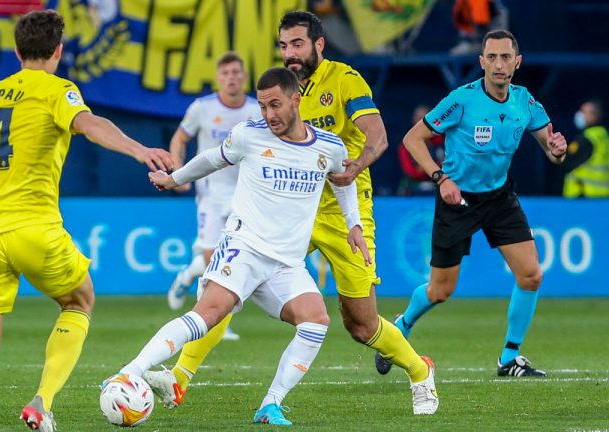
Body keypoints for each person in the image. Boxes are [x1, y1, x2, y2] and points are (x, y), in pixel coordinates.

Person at [144, 10, 439, 417]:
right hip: (288, 213)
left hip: (343, 212)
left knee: (361, 324)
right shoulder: (281, 93)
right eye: (283, 46)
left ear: (319, 44)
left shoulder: (346, 80)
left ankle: (418, 370)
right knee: (224, 295)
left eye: (297, 44)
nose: (290, 53)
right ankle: (179, 379)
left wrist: (354, 168)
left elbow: (378, 136)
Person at [0, 10, 172, 432]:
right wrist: (140, 150)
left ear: (16, 51)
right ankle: (41, 404)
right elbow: (89, 123)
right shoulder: (58, 90)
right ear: (59, 51)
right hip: (35, 228)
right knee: (79, 301)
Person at [112, 67, 369, 426]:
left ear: (297, 100)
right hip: (244, 247)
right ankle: (129, 372)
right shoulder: (250, 135)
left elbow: (344, 182)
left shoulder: (328, 145)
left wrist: (354, 224)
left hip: (287, 264)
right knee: (208, 315)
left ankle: (271, 403)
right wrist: (175, 178)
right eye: (263, 106)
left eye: (276, 105)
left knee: (316, 321)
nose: (269, 115)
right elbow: (212, 158)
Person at [375, 30, 567, 378]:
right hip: (457, 198)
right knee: (440, 290)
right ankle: (401, 327)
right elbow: (412, 139)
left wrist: (557, 151)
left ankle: (509, 359)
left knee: (531, 275)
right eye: (491, 57)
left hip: (499, 197)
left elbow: (550, 146)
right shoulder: (461, 100)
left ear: (517, 62)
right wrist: (440, 178)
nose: (498, 64)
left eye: (505, 57)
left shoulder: (524, 102)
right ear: (481, 62)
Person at [166, 52, 261, 345]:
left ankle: (216, 317)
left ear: (244, 76)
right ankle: (195, 278)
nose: (232, 77)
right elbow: (180, 138)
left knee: (233, 256)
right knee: (213, 259)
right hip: (210, 192)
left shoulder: (257, 110)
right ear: (219, 78)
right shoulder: (202, 108)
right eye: (226, 73)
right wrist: (176, 172)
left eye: (236, 72)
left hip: (244, 193)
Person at [562, 99, 609, 197]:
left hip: (583, 196)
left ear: (594, 116)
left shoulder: (587, 139)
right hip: (603, 196)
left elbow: (567, 161)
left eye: (583, 112)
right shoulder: (603, 135)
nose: (579, 115)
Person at [397, 104, 445, 196]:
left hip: (440, 186)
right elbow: (412, 173)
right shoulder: (406, 145)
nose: (419, 123)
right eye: (417, 118)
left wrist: (423, 167)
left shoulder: (441, 142)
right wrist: (434, 166)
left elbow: (448, 168)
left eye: (422, 119)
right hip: (413, 189)